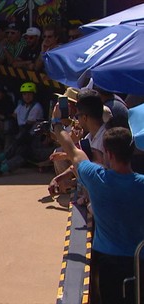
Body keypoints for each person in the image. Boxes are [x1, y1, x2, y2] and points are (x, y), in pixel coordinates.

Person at [51, 106, 144, 303]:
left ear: (108, 153)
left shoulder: (96, 178)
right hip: (140, 261)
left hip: (108, 262)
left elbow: (72, 150)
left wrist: (57, 123)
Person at [0, 82, 47, 175]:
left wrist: (17, 139)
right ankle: (1, 159)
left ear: (34, 95)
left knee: (23, 150)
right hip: (23, 135)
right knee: (9, 127)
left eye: (29, 94)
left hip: (33, 138)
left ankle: (2, 167)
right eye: (25, 94)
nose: (27, 97)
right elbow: (12, 117)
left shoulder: (36, 107)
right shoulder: (21, 105)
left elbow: (28, 126)